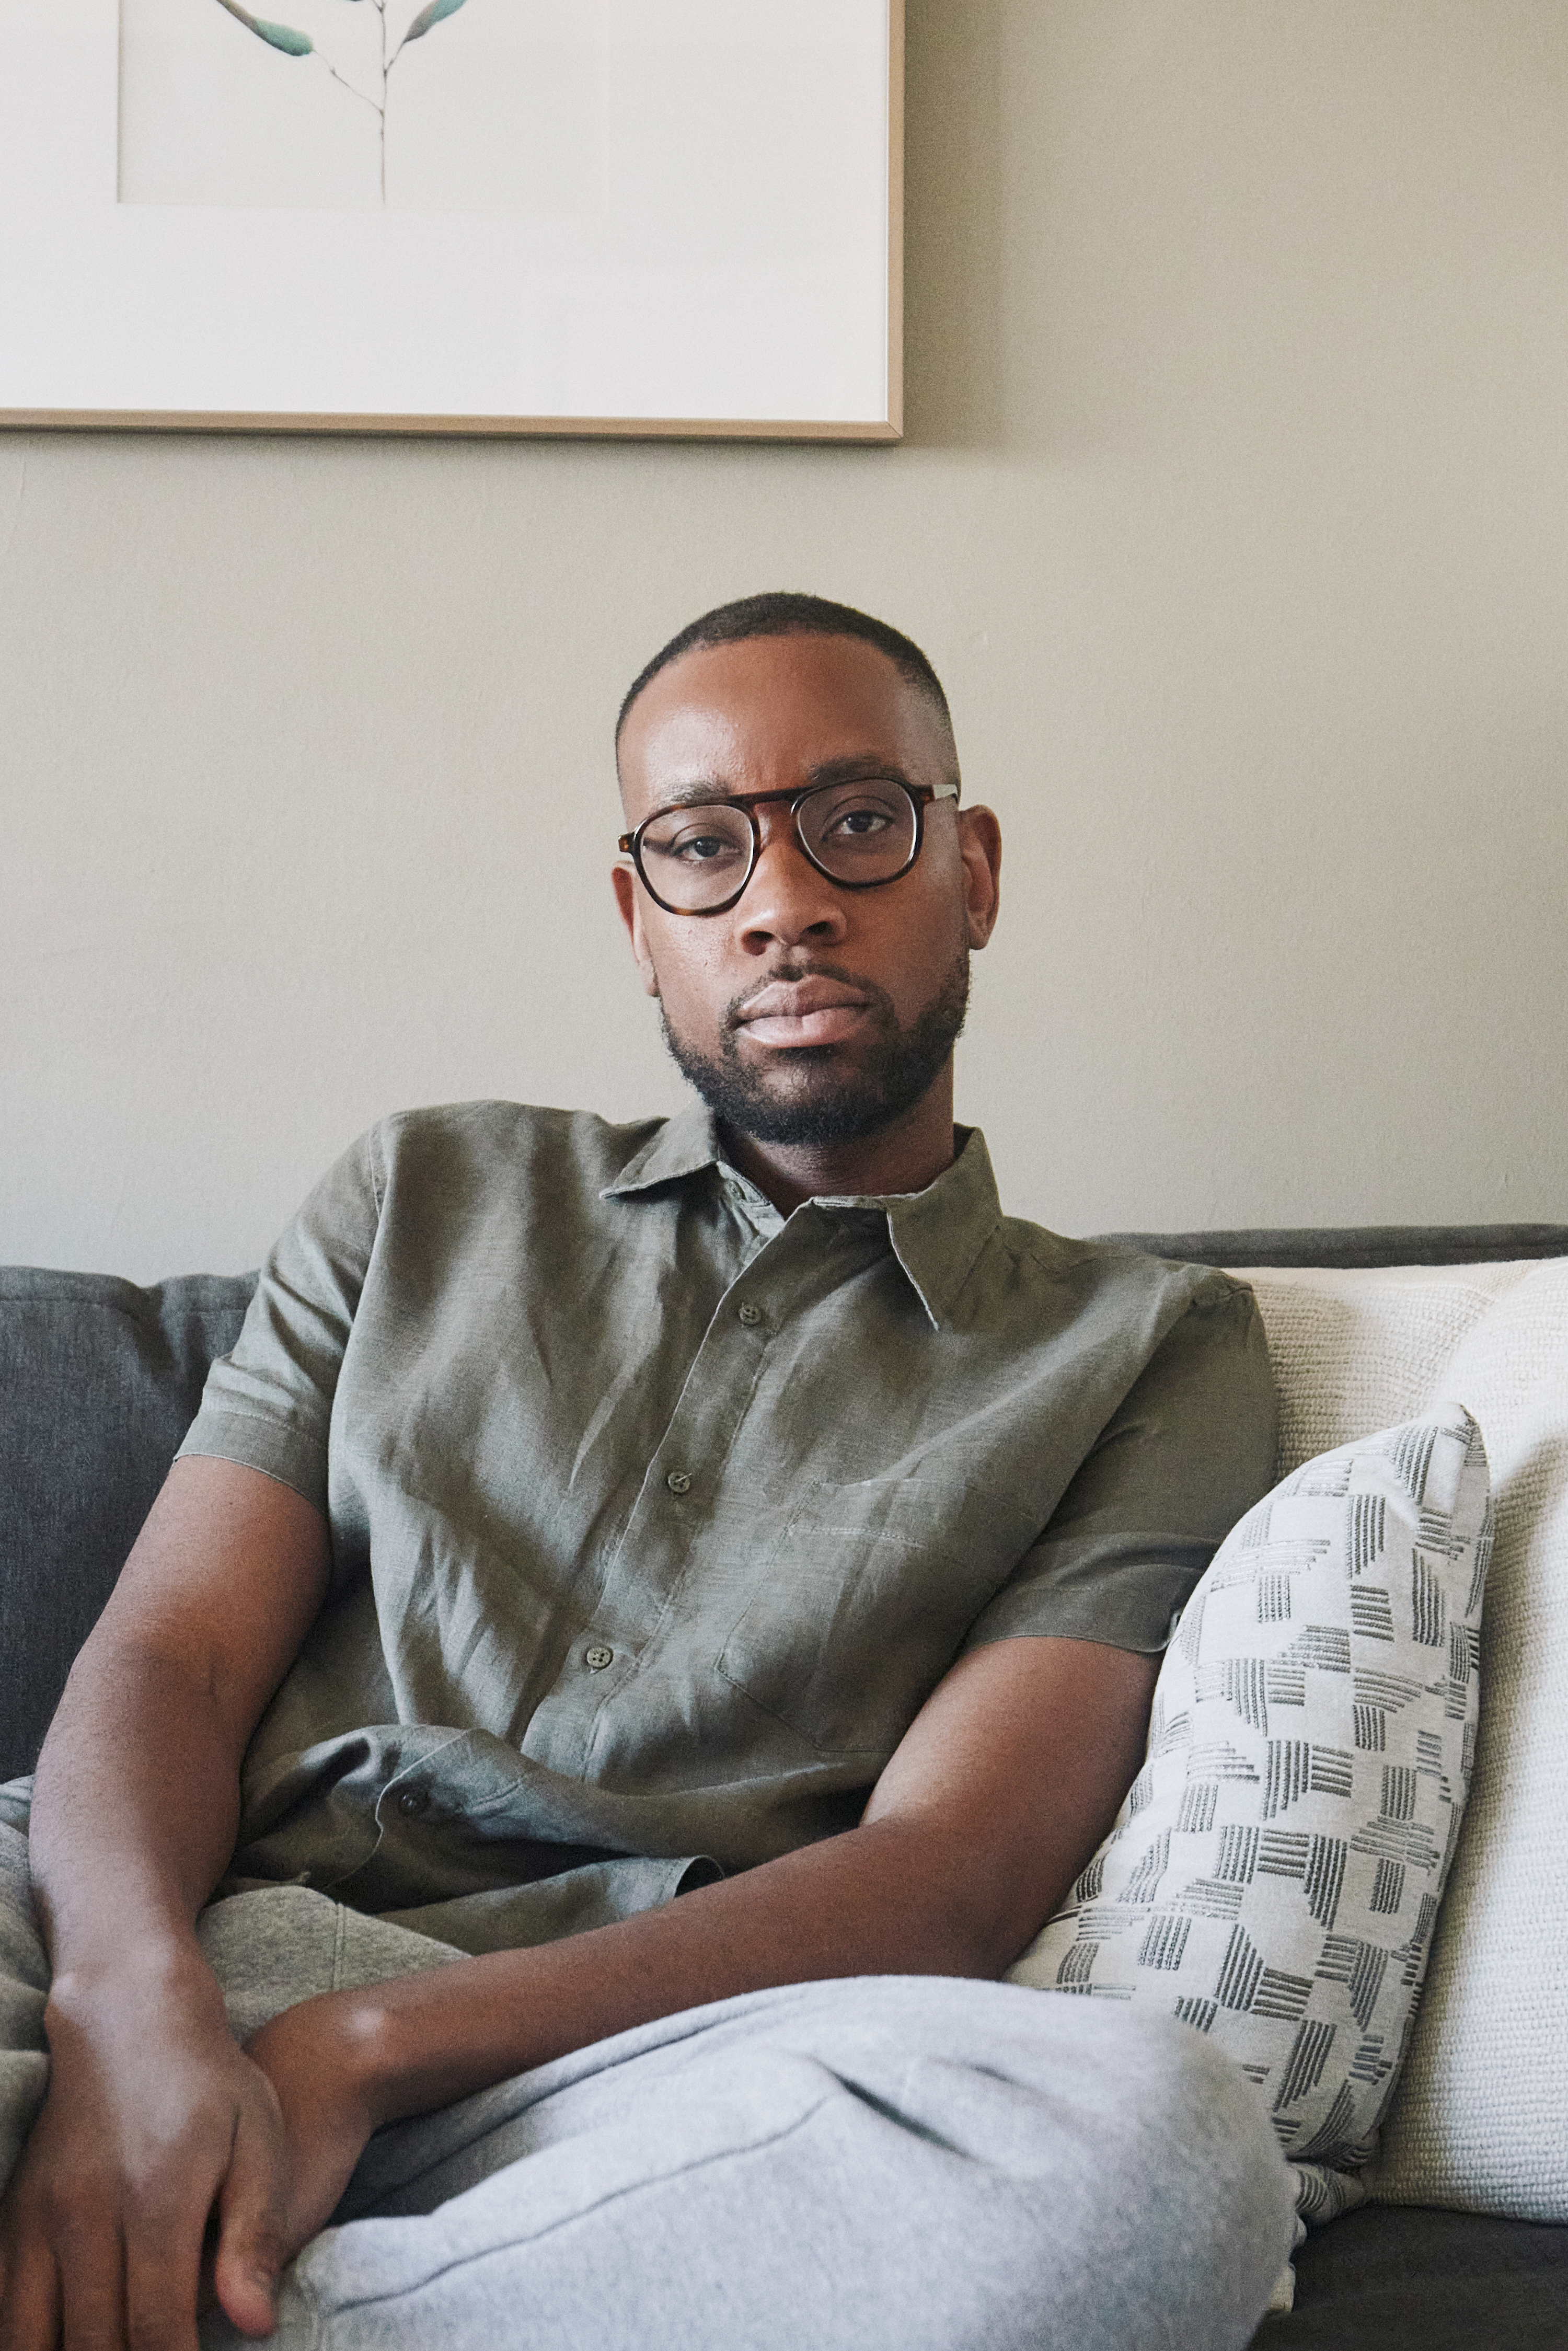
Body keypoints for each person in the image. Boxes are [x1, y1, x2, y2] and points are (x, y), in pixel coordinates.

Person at [0, 595, 1295, 2351]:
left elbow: (951, 1873)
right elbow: (169, 1658)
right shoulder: (422, 1192)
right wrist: (131, 2003)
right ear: (640, 917)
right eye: (703, 845)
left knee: (1163, 2145)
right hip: (175, 1916)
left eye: (857, 819)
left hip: (646, 2056)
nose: (782, 900)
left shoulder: (1149, 1344)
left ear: (969, 870)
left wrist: (365, 2048)